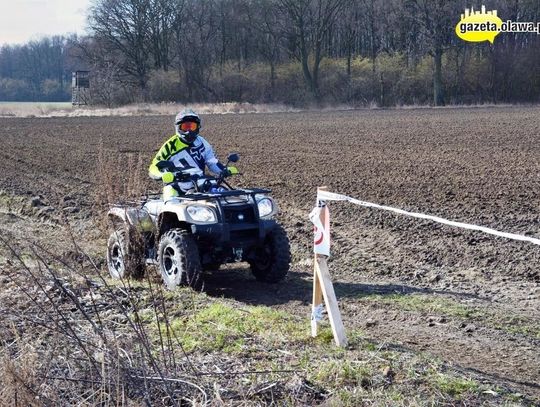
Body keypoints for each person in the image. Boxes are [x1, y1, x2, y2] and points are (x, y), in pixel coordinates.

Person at [148, 109, 237, 199]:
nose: (189, 131)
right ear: (178, 127)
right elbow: (153, 167)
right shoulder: (170, 146)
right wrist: (162, 175)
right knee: (170, 194)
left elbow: (212, 162)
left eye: (192, 127)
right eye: (185, 127)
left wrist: (224, 170)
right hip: (178, 185)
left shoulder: (202, 142)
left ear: (198, 127)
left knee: (223, 195)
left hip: (200, 182)